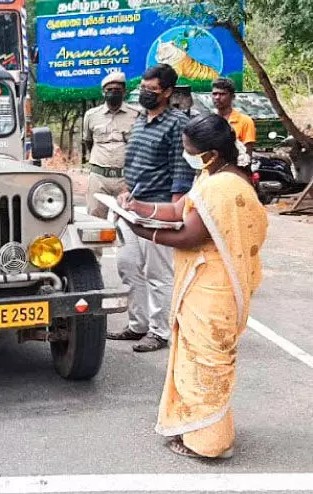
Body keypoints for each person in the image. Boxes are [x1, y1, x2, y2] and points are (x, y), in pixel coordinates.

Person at [117, 113, 267, 459]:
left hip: (214, 287)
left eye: (189, 149)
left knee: (207, 361)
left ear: (210, 153)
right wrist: (137, 207)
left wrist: (143, 231)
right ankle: (204, 429)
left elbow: (190, 235)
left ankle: (210, 444)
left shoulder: (223, 187)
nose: (186, 154)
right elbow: (178, 210)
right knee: (196, 358)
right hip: (203, 282)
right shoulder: (211, 175)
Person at [108, 64, 193, 352]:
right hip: (132, 206)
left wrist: (174, 213)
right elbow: (134, 163)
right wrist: (126, 192)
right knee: (128, 265)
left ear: (167, 92)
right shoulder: (140, 119)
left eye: (151, 89)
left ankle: (159, 332)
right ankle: (138, 325)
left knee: (158, 274)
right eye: (143, 87)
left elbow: (181, 169)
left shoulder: (177, 123)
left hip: (159, 209)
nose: (145, 93)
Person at [83, 71, 140, 219]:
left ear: (124, 92)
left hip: (125, 179)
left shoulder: (137, 115)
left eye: (117, 90)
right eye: (109, 90)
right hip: (99, 178)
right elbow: (88, 141)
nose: (113, 93)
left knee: (126, 221)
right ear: (103, 92)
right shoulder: (91, 115)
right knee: (95, 220)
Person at [212, 78, 257, 156]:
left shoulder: (245, 121)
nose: (217, 97)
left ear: (232, 96)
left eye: (222, 94)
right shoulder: (208, 120)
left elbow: (247, 154)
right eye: (215, 94)